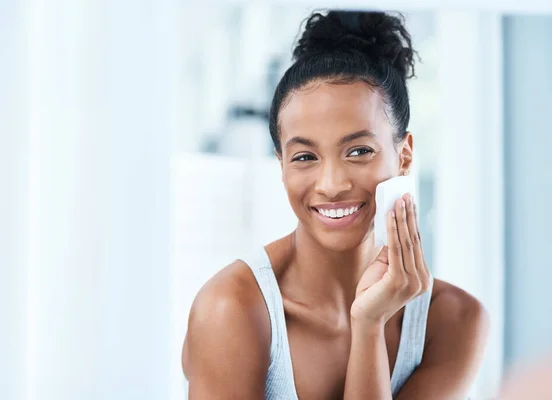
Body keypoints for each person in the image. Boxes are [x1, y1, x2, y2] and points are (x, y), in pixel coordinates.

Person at [182, 10, 489, 399]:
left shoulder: (454, 320)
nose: (331, 185)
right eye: (305, 157)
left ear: (405, 156)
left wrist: (368, 325)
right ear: (281, 166)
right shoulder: (231, 309)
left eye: (359, 151)